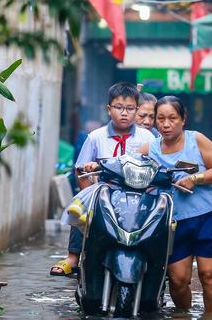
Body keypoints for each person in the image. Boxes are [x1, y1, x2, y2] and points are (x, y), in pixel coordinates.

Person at [137, 96, 212, 313]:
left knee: (209, 276)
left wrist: (195, 178)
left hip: (207, 216)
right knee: (178, 280)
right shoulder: (150, 148)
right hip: (171, 222)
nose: (166, 124)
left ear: (183, 119)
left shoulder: (196, 140)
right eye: (160, 119)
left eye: (172, 118)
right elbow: (126, 164)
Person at [50, 82, 155, 276]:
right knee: (82, 209)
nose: (124, 113)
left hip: (137, 197)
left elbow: (155, 169)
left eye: (130, 109)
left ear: (136, 110)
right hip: (104, 196)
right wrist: (88, 194)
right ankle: (73, 257)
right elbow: (80, 171)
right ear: (109, 109)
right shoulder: (96, 137)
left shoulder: (147, 137)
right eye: (119, 108)